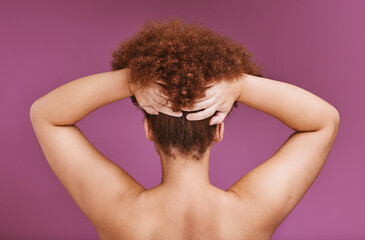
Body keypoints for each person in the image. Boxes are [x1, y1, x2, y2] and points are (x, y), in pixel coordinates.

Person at [30, 19, 339, 240]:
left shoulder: (119, 213)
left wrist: (131, 80)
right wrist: (240, 84)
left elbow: (45, 114)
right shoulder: (252, 214)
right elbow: (323, 121)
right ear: (218, 132)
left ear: (149, 129)